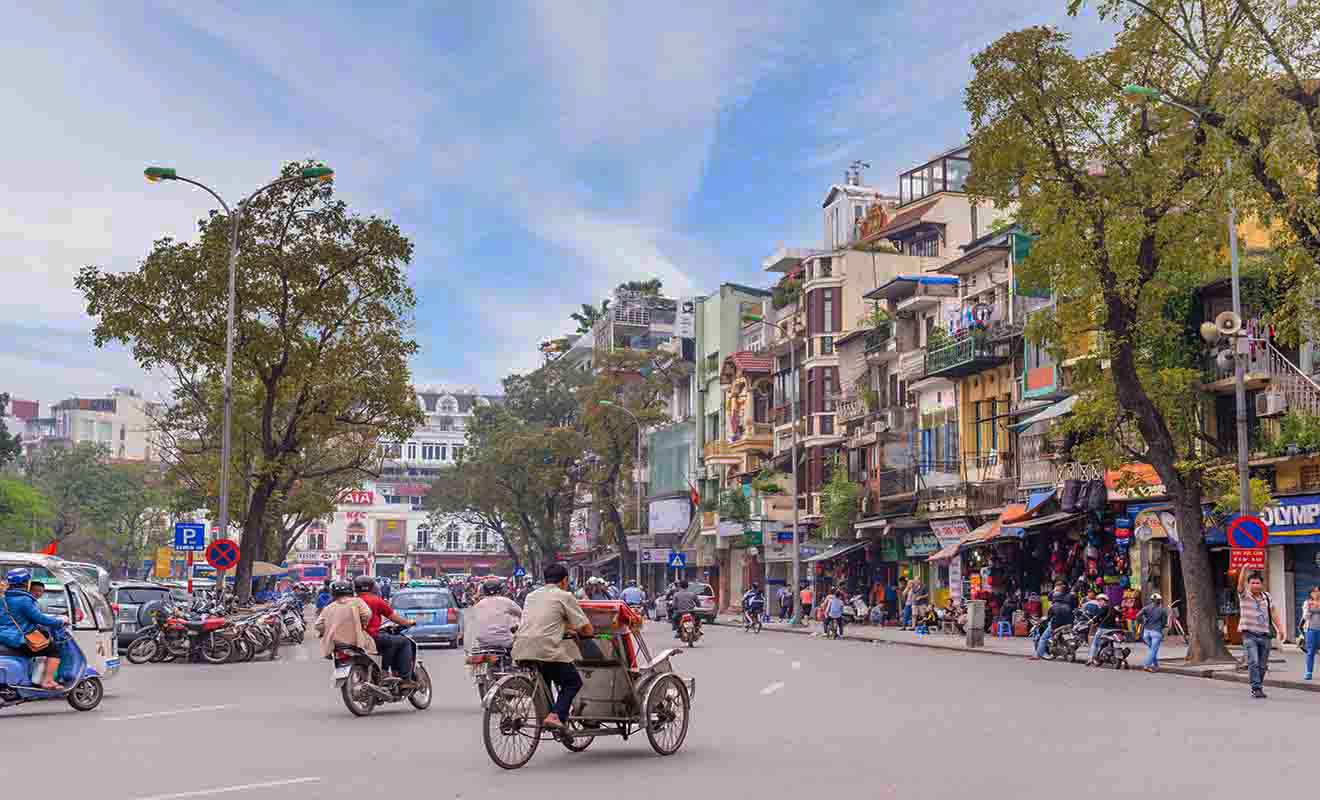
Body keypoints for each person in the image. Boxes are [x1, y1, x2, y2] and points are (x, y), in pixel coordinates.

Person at [512, 563, 593, 730]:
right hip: (545, 648)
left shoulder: (531, 596)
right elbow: (586, 628)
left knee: (546, 675)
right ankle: (556, 716)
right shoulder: (565, 596)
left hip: (521, 647)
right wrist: (587, 633)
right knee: (573, 682)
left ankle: (548, 714)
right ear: (564, 581)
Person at [0, 568, 75, 690]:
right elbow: (39, 618)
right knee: (53, 650)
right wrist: (60, 621)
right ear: (26, 583)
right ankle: (48, 681)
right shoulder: (24, 600)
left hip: (4, 638)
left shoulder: (3, 598)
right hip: (18, 639)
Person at [352, 575, 417, 686]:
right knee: (403, 641)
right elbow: (394, 617)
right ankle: (403, 678)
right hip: (370, 637)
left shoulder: (351, 602)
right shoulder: (376, 600)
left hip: (353, 638)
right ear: (373, 587)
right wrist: (407, 623)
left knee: (390, 641)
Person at [1237, 568, 1286, 698]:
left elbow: (1274, 613)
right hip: (1249, 634)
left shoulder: (1267, 597)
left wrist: (1280, 629)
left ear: (1262, 584)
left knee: (1263, 665)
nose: (1255, 585)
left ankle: (1258, 684)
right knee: (1253, 661)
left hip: (1265, 635)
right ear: (1248, 584)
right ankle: (1256, 688)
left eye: (1257, 583)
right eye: (1252, 583)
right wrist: (1243, 570)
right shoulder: (1244, 595)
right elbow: (1240, 585)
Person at [314, 579, 375, 659]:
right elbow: (367, 614)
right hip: (355, 641)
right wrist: (363, 625)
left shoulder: (328, 608)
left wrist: (325, 631)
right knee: (372, 649)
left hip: (335, 644)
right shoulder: (358, 602)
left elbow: (318, 625)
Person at [472, 580, 522, 650]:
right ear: (500, 590)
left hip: (483, 643)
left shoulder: (478, 605)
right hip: (505, 642)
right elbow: (522, 614)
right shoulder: (506, 601)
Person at [1032, 583, 1075, 660]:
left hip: (1056, 625)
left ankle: (1037, 655)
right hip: (1069, 624)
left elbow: (1049, 617)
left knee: (1043, 638)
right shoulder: (1069, 602)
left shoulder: (1053, 606)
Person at [1135, 592, 1168, 672]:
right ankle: (1147, 665)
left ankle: (1156, 665)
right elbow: (1164, 623)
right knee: (1153, 650)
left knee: (1152, 650)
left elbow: (1137, 616)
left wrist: (1142, 621)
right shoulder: (1162, 610)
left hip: (1146, 632)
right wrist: (1162, 627)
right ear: (1159, 601)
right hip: (1156, 632)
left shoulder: (1146, 608)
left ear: (1151, 600)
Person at [1085, 594, 1120, 666]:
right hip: (1113, 628)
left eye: (1099, 601)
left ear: (1103, 601)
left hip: (1103, 628)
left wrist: (1092, 620)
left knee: (1095, 643)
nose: (1099, 603)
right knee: (1109, 642)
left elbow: (1099, 616)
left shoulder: (1104, 608)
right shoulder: (1113, 608)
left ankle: (1090, 658)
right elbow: (1119, 615)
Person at [1302, 586, 1320, 681]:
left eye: (1317, 591)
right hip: (1311, 630)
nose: (1316, 593)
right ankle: (1309, 672)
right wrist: (1310, 608)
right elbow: (1305, 617)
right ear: (1310, 594)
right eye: (1314, 592)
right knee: (1311, 651)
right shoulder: (1307, 603)